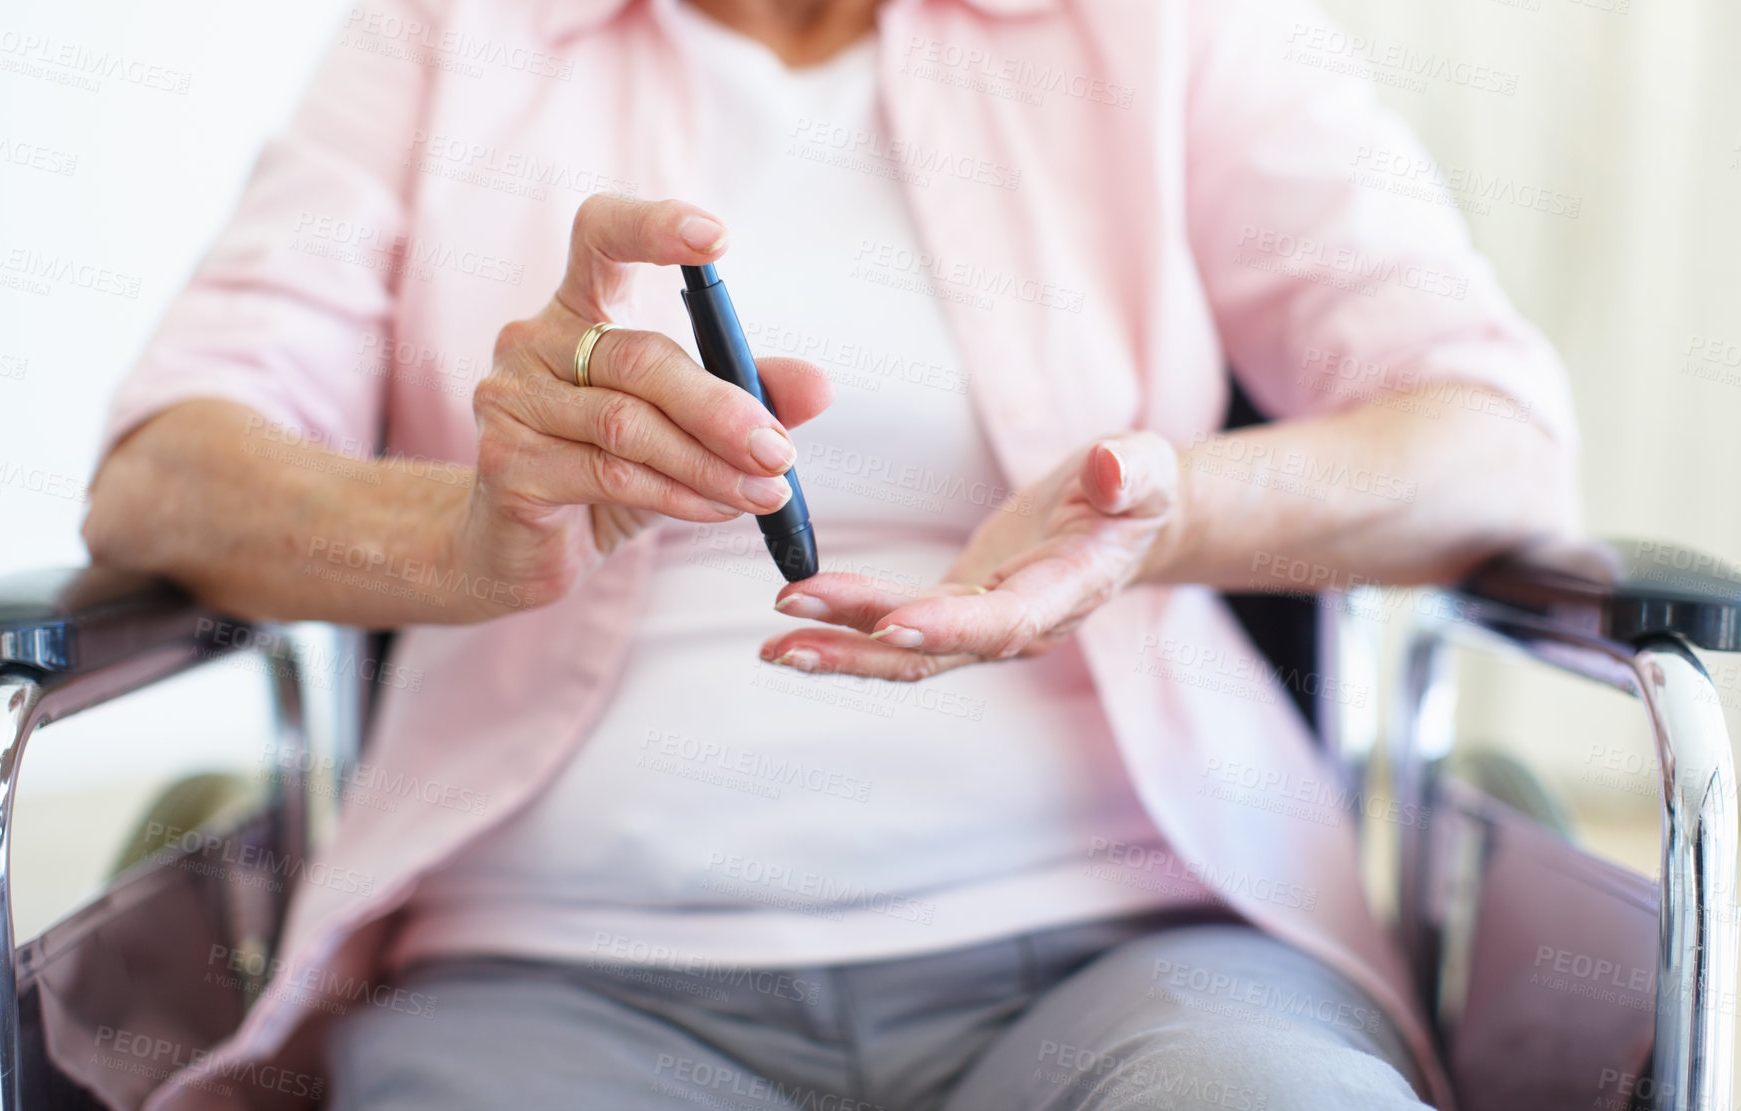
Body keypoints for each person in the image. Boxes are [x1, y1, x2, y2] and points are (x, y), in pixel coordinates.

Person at [82, 0, 1579, 1107]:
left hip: (1138, 950)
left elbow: (1496, 442)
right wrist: (468, 537)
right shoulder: (450, 37)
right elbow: (160, 480)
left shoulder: (1163, 29)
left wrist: (1158, 511)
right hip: (552, 984)